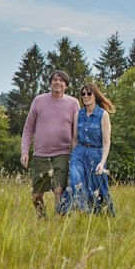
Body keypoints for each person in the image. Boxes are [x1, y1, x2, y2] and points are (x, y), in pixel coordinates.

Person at [21, 70, 80, 218]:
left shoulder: (73, 103)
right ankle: (42, 218)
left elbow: (77, 132)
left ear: (66, 84)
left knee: (59, 191)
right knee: (36, 195)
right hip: (41, 155)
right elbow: (28, 128)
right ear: (50, 82)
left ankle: (58, 221)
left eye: (61, 80)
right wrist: (24, 151)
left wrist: (77, 155)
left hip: (63, 153)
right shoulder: (39, 101)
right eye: (55, 79)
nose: (58, 82)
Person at [59, 83, 116, 215]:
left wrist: (102, 163)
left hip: (96, 153)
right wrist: (73, 156)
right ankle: (80, 210)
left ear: (95, 96)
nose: (85, 96)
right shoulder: (78, 114)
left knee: (96, 187)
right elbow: (75, 138)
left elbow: (106, 142)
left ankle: (99, 213)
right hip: (79, 152)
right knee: (75, 179)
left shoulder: (103, 115)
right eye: (83, 94)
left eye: (89, 93)